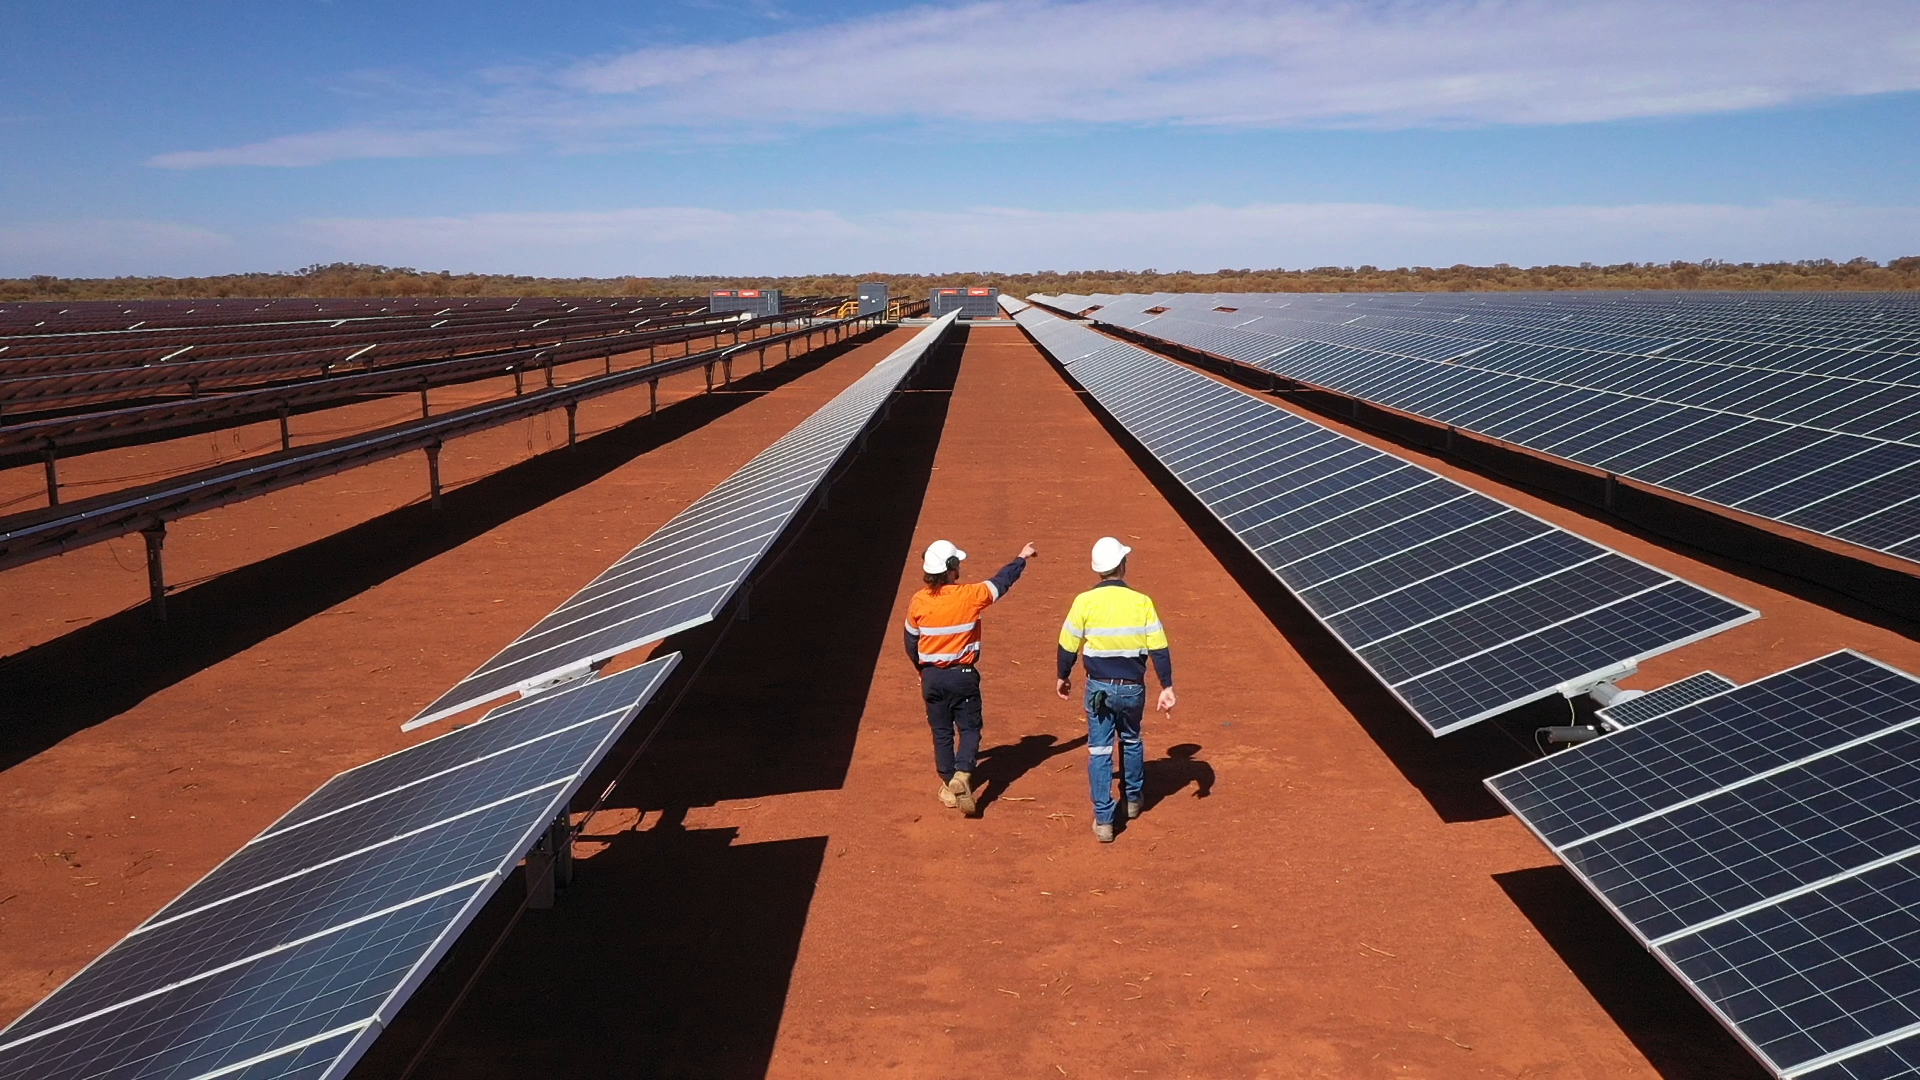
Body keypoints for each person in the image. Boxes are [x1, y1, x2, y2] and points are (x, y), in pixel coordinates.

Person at [1056, 537, 1176, 843]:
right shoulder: (1142, 602)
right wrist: (1167, 685)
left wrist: (1063, 675)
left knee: (1099, 751)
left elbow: (1067, 644)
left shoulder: (1084, 602)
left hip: (1099, 689)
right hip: (1133, 688)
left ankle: (1104, 821)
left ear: (1098, 570)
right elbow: (1159, 648)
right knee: (1132, 740)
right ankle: (1133, 801)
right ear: (1122, 566)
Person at [905, 538, 1037, 815]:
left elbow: (910, 641)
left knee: (941, 732)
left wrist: (922, 670)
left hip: (931, 678)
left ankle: (948, 785)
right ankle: (962, 774)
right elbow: (1002, 582)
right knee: (969, 728)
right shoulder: (970, 595)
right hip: (962, 676)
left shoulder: (917, 601)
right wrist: (1021, 557)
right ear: (951, 568)